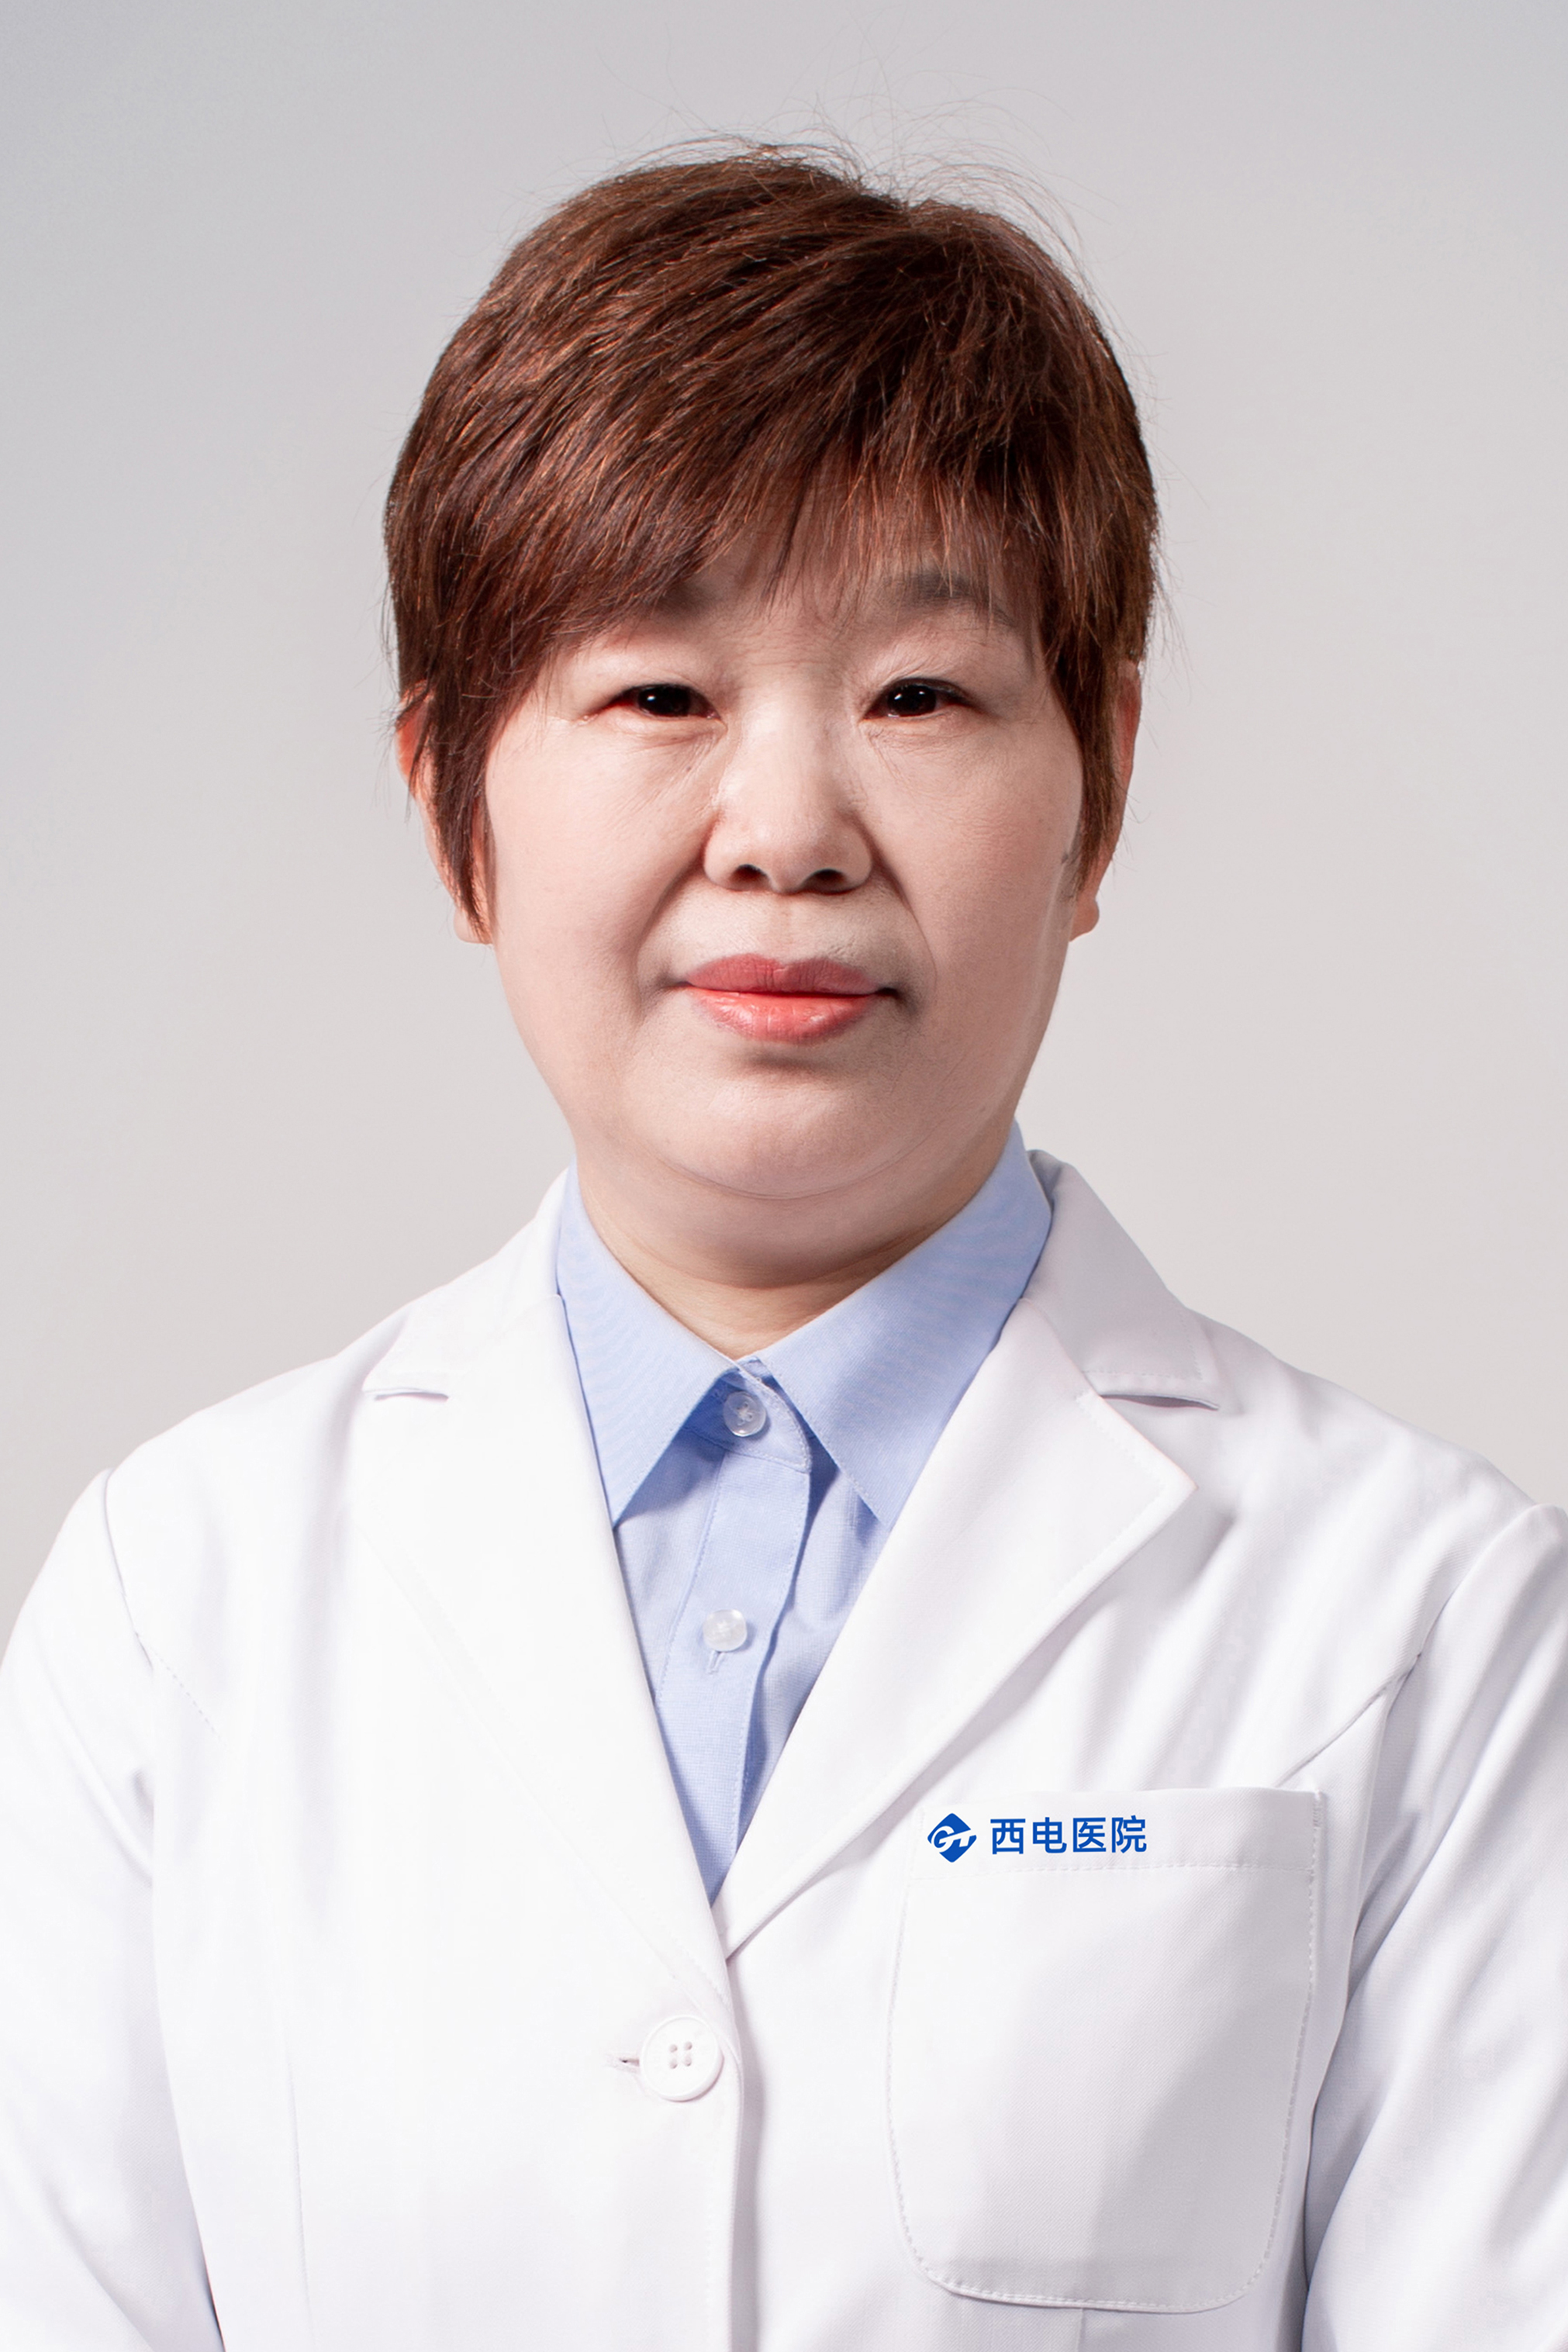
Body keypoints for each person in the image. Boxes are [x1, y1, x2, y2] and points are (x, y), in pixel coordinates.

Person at [0, 146, 1563, 2352]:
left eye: (919, 694)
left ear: (1101, 784)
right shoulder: (177, 1609)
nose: (788, 831)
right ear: (451, 801)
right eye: (659, 694)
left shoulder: (1426, 1620)